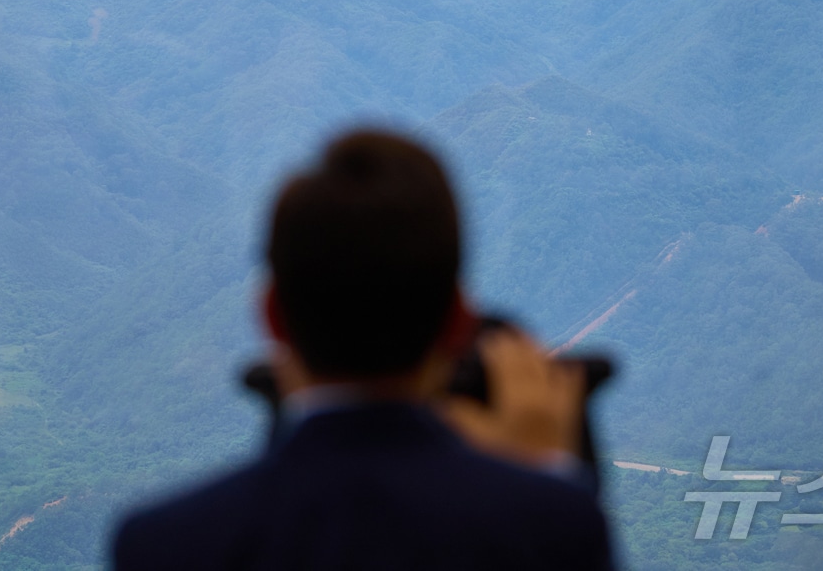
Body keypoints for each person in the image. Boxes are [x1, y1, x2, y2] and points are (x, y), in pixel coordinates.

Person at [113, 130, 614, 570]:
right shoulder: (552, 527)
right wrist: (543, 480)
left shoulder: (161, 543)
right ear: (457, 320)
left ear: (271, 315)